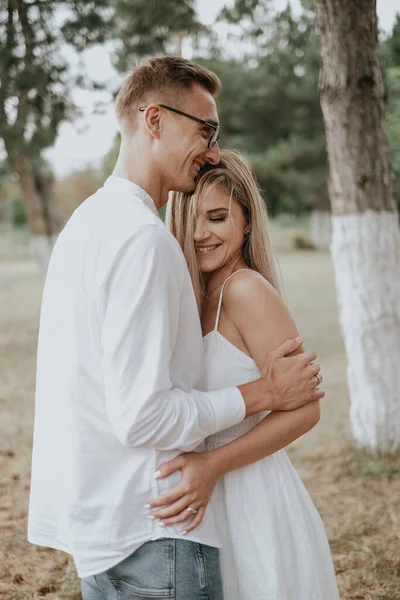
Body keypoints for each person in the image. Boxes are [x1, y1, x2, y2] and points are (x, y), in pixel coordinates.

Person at [28, 57, 324, 600]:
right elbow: (142, 415)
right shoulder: (142, 239)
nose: (212, 148)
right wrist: (262, 392)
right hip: (156, 529)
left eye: (221, 217)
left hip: (141, 521)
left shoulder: (86, 226)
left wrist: (215, 461)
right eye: (205, 130)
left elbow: (305, 401)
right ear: (155, 120)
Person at [145, 149, 340, 599]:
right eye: (192, 218)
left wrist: (213, 465)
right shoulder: (193, 294)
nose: (200, 234)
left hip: (253, 496)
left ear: (246, 220)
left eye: (217, 217)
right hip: (202, 498)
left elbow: (306, 410)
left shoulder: (246, 289)